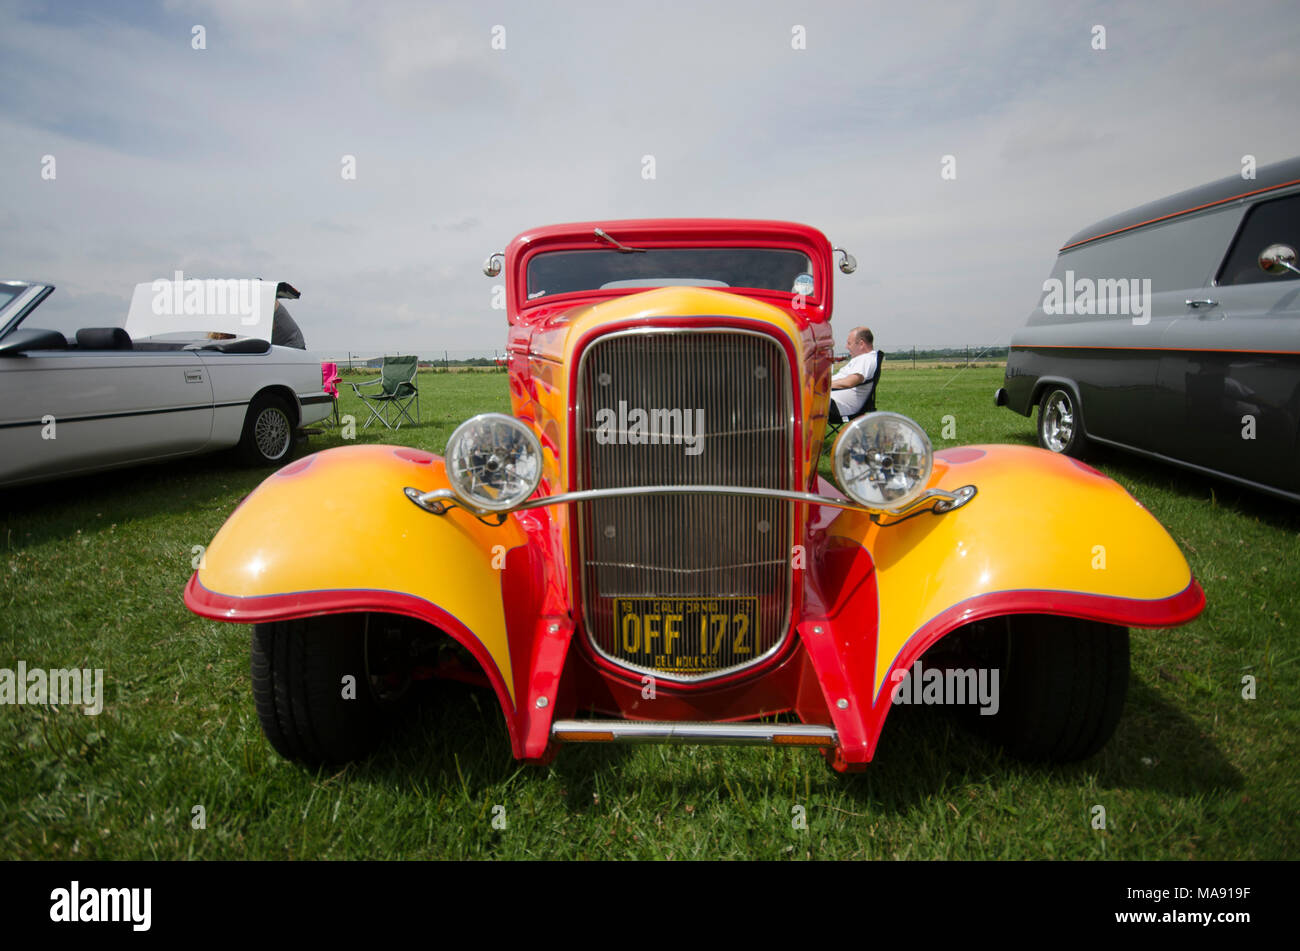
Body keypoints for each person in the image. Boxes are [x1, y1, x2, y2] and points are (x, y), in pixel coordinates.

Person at [829, 327, 878, 423]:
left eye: (849, 343)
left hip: (837, 406)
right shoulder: (862, 359)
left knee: (797, 399)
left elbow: (850, 382)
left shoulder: (866, 359)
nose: (846, 347)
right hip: (830, 400)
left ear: (861, 344)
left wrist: (821, 387)